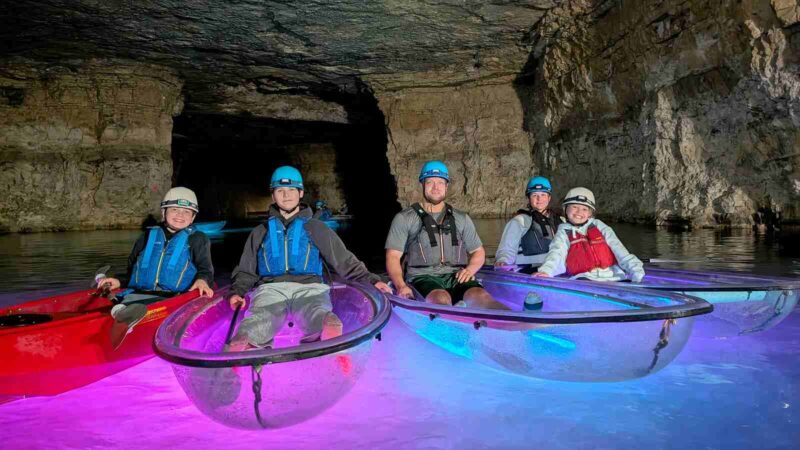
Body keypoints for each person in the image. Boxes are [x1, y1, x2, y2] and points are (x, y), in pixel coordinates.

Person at [227, 166, 392, 351]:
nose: (286, 195)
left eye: (291, 190)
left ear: (301, 193)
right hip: (270, 289)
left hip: (309, 288)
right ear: (273, 196)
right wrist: (238, 291)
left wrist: (371, 280)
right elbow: (246, 269)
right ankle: (246, 340)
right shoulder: (260, 232)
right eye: (280, 191)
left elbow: (343, 260)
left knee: (315, 310)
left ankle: (325, 328)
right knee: (260, 316)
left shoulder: (315, 227)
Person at [385, 161, 509, 309]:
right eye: (430, 182)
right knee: (440, 297)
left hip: (456, 275)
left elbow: (478, 252)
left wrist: (470, 270)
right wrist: (401, 286)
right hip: (422, 277)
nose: (436, 187)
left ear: (446, 186)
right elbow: (393, 257)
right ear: (422, 184)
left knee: (480, 295)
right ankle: (449, 323)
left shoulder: (461, 218)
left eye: (440, 182)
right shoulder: (405, 218)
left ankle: (516, 323)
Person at [96, 187, 215, 331]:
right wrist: (119, 280)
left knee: (131, 307)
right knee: (120, 304)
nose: (180, 215)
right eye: (174, 210)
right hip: (137, 295)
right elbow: (134, 271)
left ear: (193, 218)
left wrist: (202, 280)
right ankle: (123, 317)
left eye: (186, 212)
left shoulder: (198, 239)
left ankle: (127, 319)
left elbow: (206, 270)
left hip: (173, 299)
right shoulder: (146, 237)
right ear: (164, 212)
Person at [533, 187, 645, 282]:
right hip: (583, 280)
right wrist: (546, 271)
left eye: (584, 209)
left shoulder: (600, 226)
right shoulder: (563, 232)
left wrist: (636, 271)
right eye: (574, 207)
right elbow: (556, 254)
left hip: (614, 278)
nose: (579, 212)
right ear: (566, 209)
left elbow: (619, 250)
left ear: (590, 213)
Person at [494, 176, 563, 271]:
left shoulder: (560, 221)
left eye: (543, 194)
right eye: (534, 195)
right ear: (529, 198)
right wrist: (503, 261)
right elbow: (507, 249)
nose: (539, 199)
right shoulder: (520, 221)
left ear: (549, 197)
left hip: (554, 269)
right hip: (527, 269)